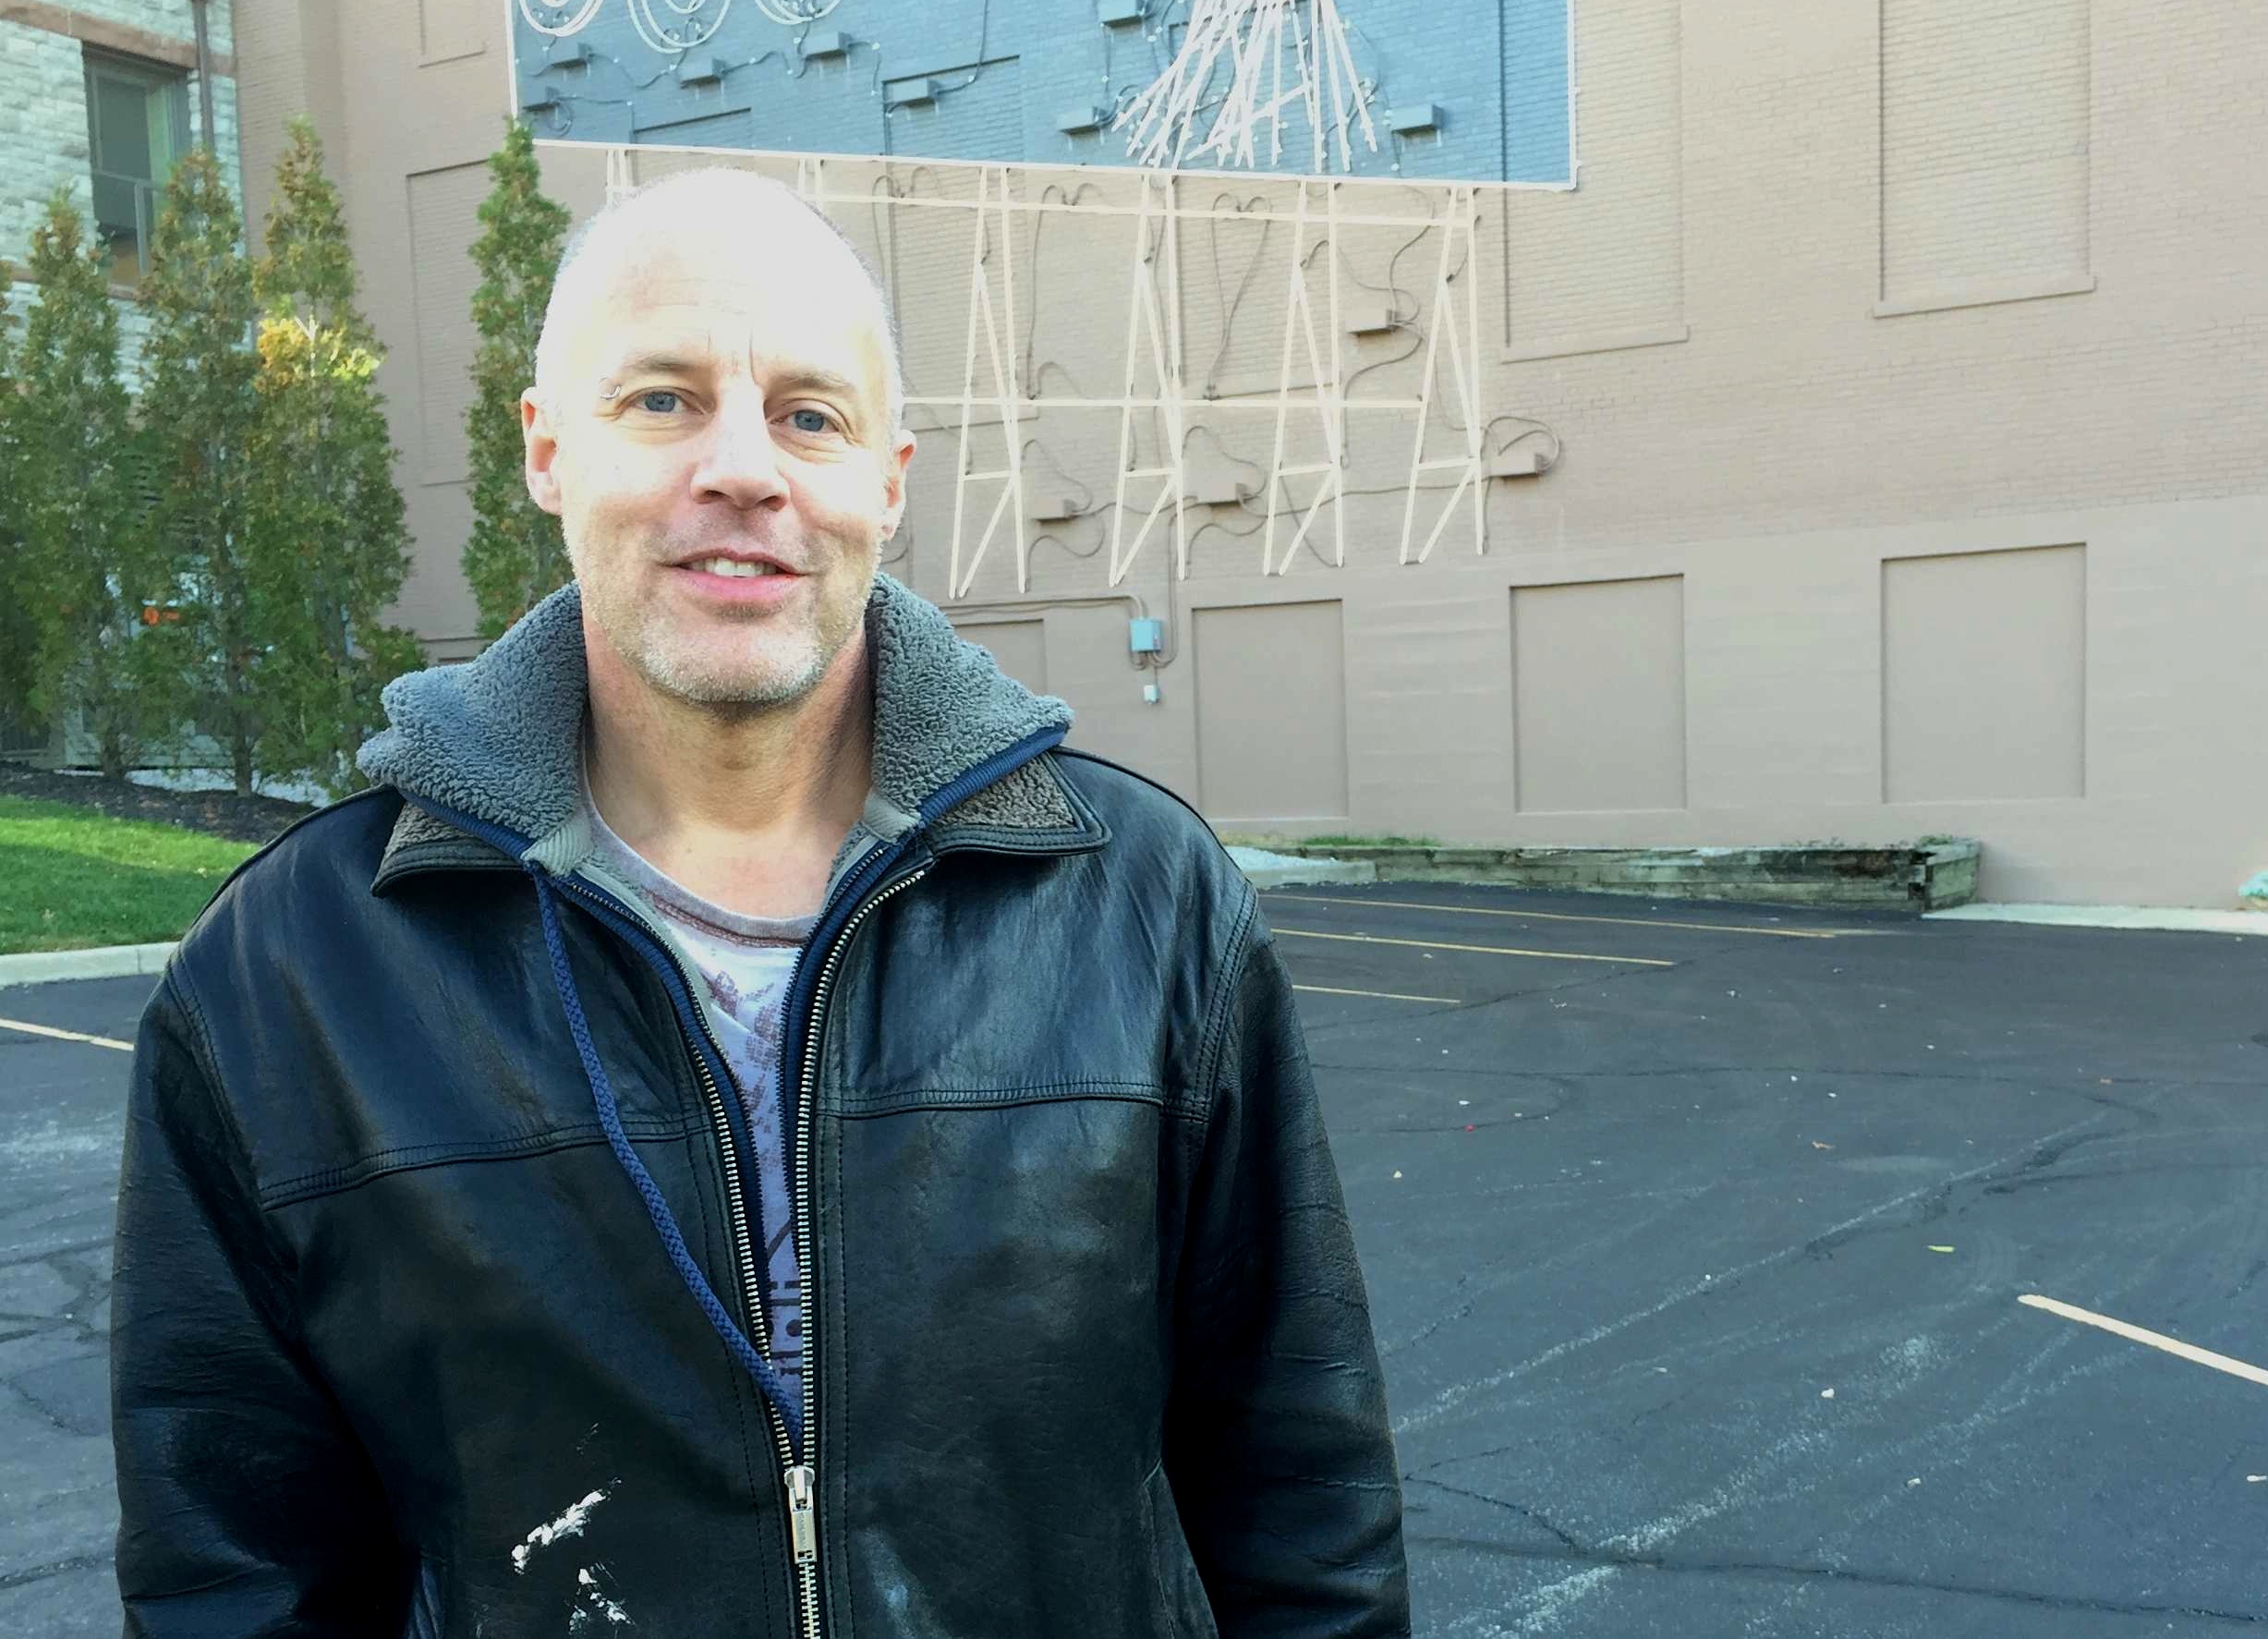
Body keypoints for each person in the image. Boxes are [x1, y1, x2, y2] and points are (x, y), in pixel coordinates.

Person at [110, 166, 1410, 1637]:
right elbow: (234, 1574)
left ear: (889, 480)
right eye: (661, 400)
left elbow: (1304, 1493)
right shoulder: (292, 973)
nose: (744, 467)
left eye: (809, 414)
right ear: (546, 450)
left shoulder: (1143, 903)